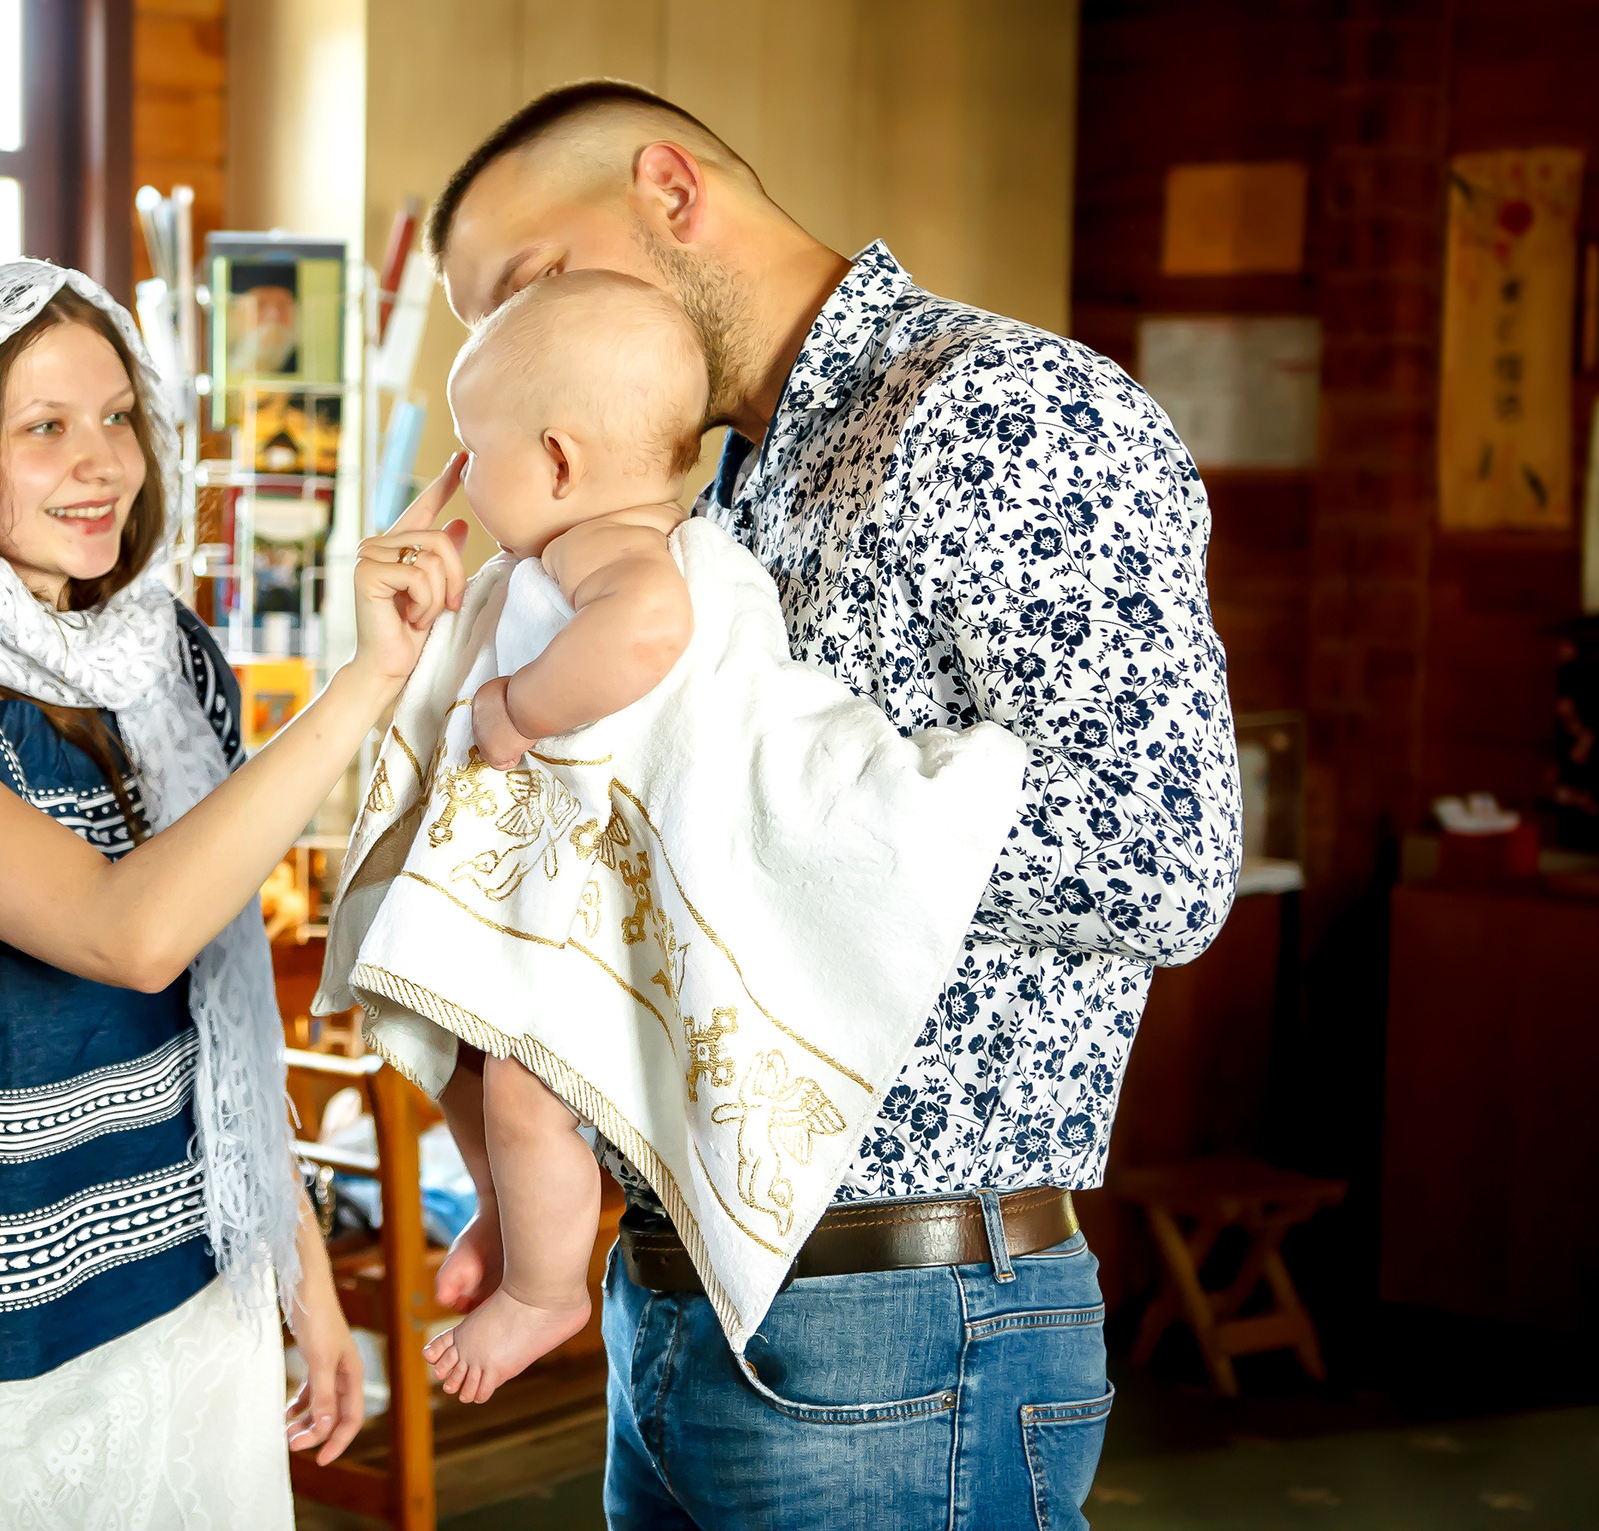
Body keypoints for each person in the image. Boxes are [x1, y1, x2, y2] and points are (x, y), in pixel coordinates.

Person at [427, 82, 1242, 1530]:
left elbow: (1159, 854)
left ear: (672, 191)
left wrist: (744, 819)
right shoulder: (705, 489)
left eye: (532, 283)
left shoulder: (999, 408)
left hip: (901, 1316)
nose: (522, 350)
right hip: (676, 1294)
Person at [0, 262, 469, 1529]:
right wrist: (365, 683)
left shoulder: (165, 666)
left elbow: (221, 1017)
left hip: (200, 1296)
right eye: (44, 427)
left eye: (117, 415)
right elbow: (133, 933)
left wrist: (300, 1279)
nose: (101, 461)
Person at [419, 271, 705, 1403]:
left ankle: (545, 1289)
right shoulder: (580, 543)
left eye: (473, 452)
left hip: (604, 903)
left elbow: (647, 630)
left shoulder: (613, 548)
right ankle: (507, 1208)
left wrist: (518, 707)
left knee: (523, 1084)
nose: (461, 475)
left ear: (557, 461)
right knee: (461, 1046)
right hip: (558, 878)